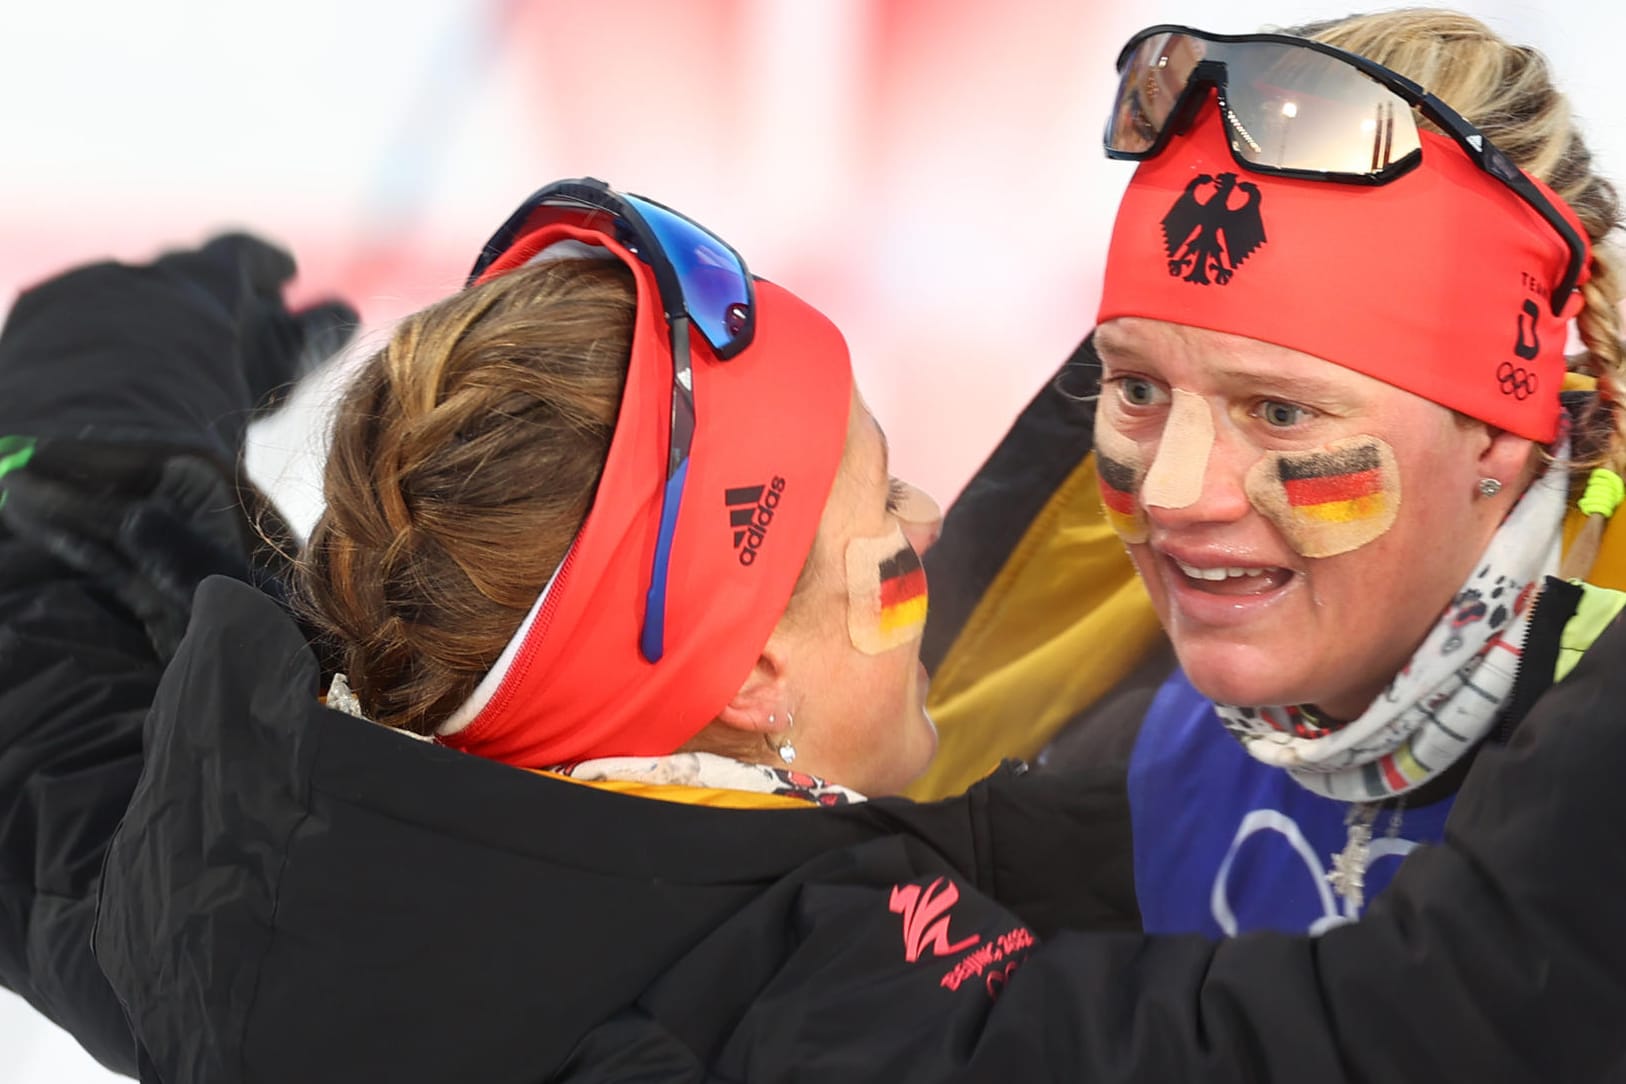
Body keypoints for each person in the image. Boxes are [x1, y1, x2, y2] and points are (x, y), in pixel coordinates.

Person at [2, 16, 1624, 1084]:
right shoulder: (795, 1007)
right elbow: (1436, 1018)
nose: (1174, 482)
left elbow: (39, 644)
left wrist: (101, 374)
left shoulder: (241, 864)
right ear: (750, 669)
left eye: (1277, 406)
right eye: (879, 544)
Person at [917, 7, 1626, 936]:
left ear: (1494, 436)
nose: (1173, 492)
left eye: (1280, 413)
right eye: (1137, 389)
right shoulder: (1108, 759)